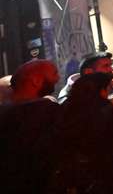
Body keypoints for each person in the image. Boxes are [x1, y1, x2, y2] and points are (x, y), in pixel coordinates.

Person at [48, 72, 113, 192]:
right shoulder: (108, 111)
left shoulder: (67, 112)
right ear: (101, 91)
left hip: (86, 181)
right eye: (106, 89)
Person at [0, 60, 63, 193]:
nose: (58, 78)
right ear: (35, 80)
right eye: (54, 73)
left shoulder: (5, 112)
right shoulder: (46, 111)